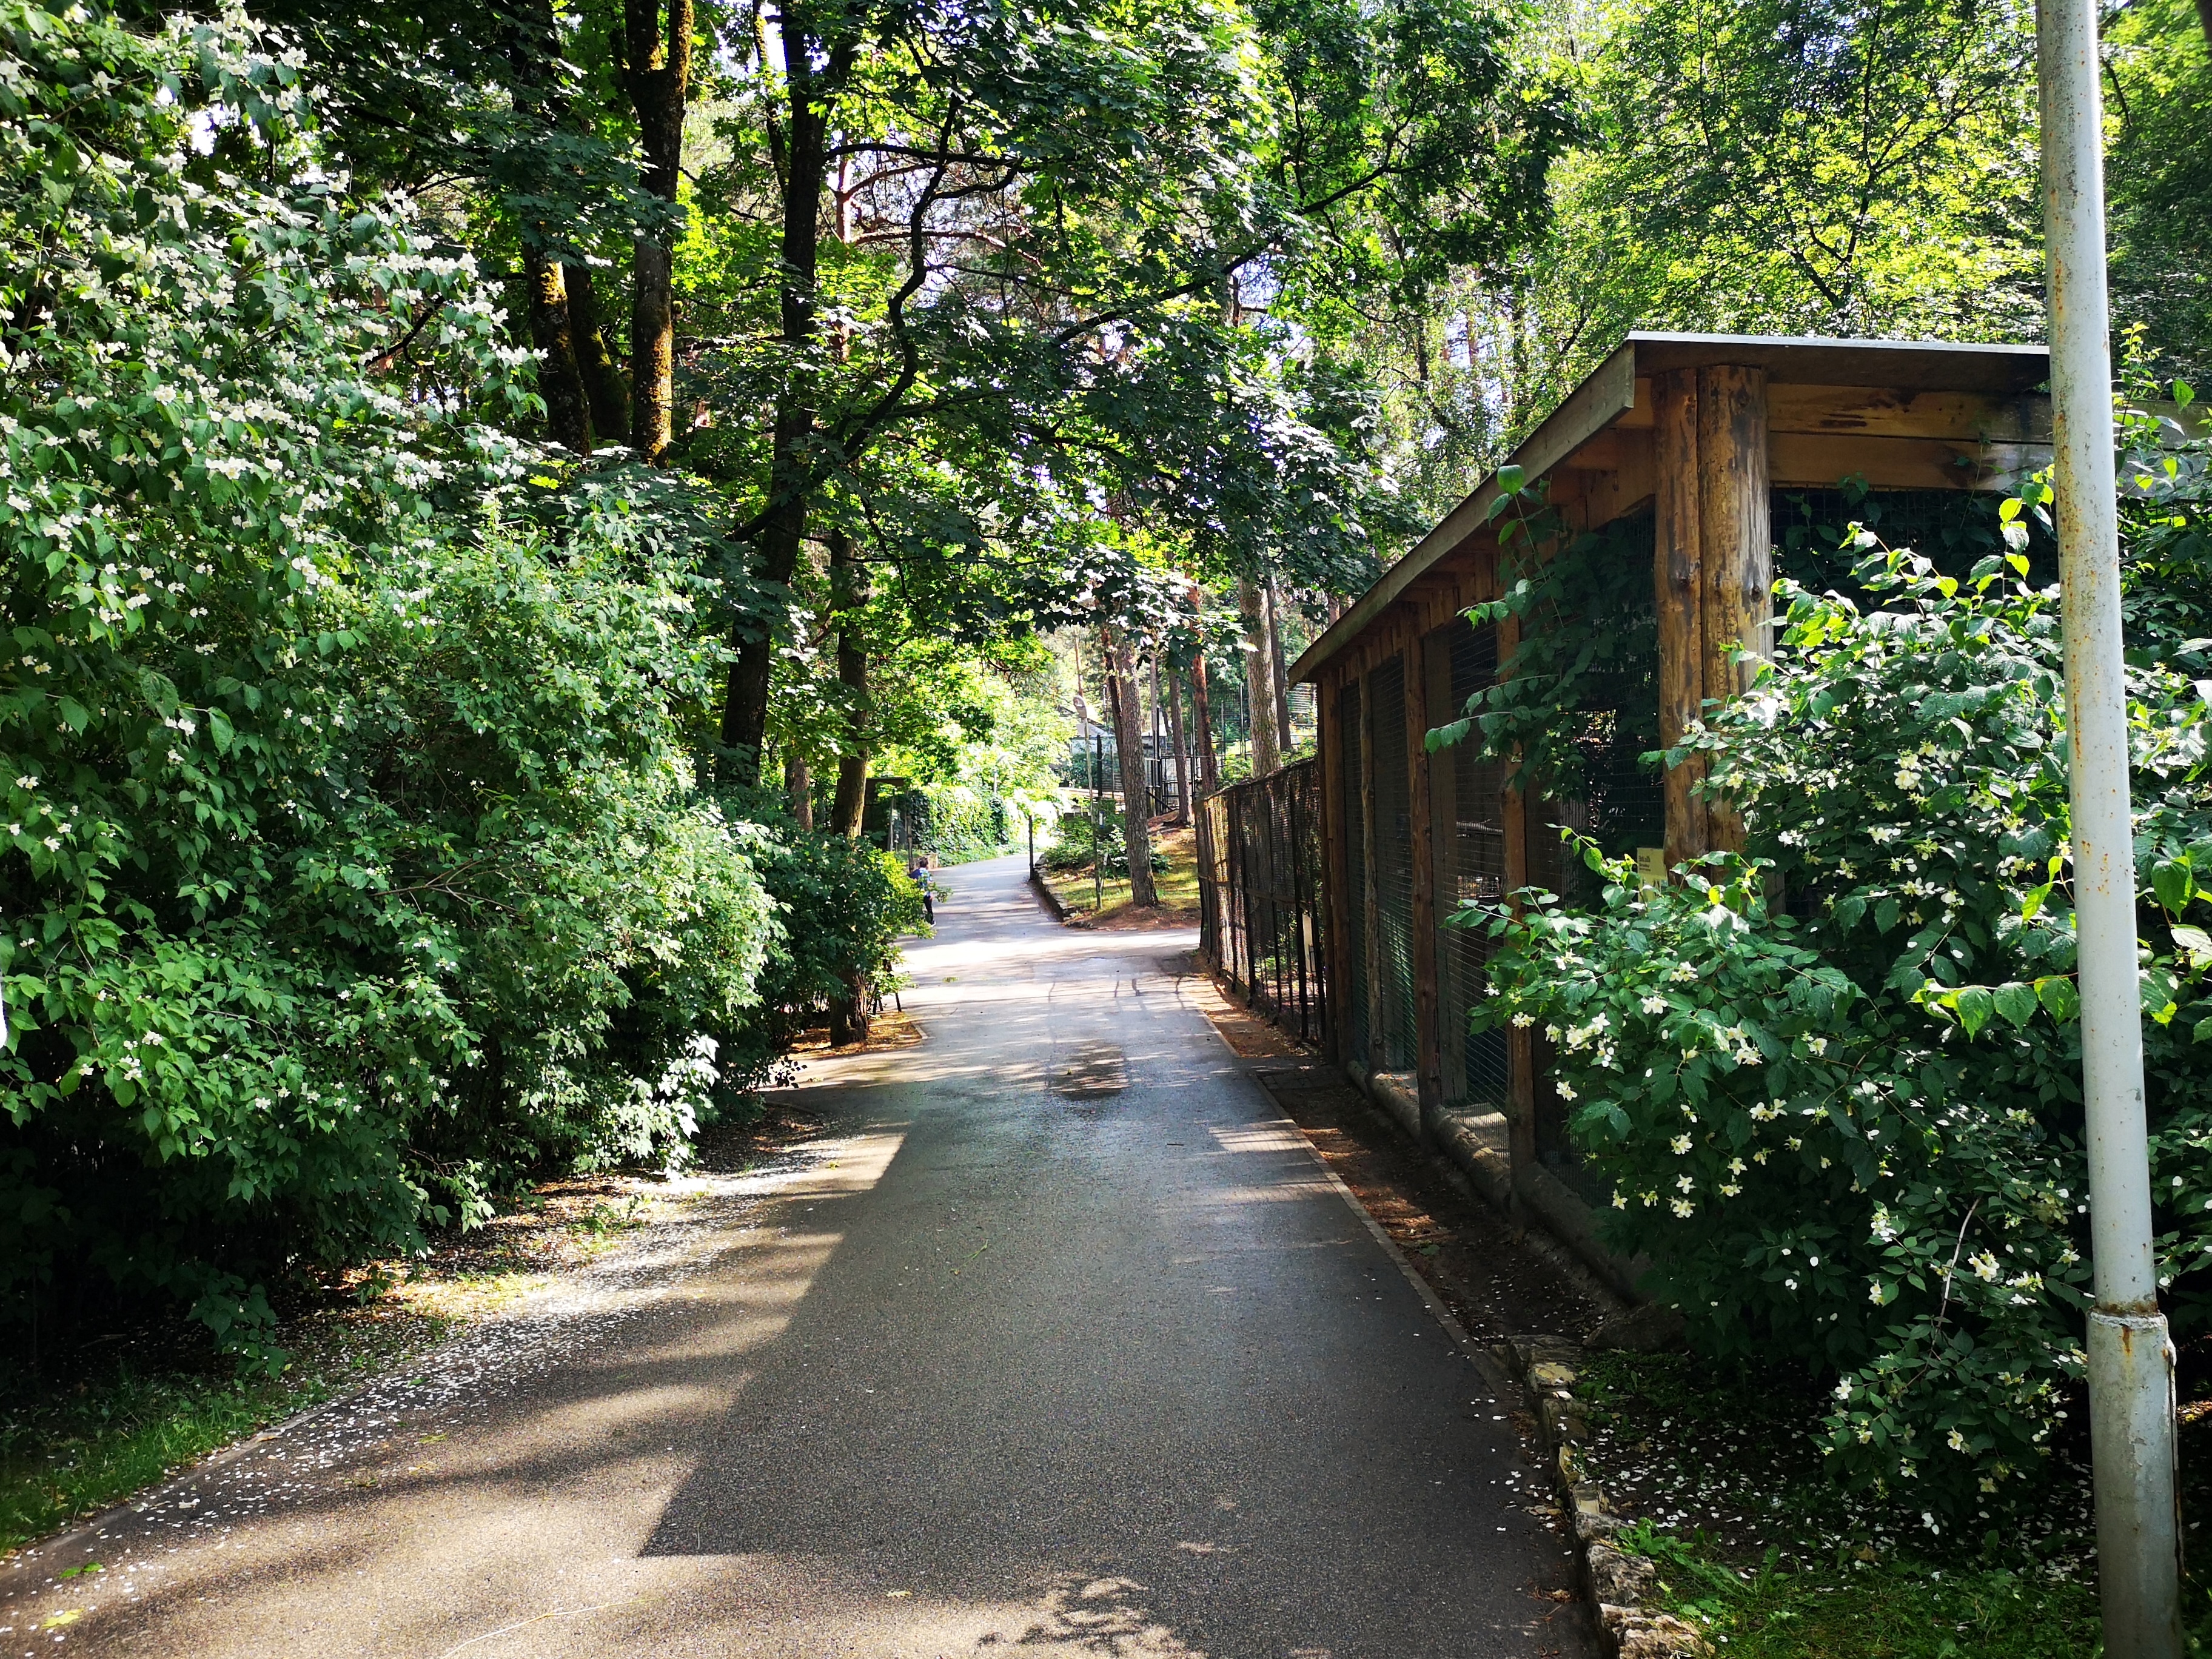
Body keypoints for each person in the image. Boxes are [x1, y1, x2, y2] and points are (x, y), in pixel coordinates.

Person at [907, 852, 936, 923]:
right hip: (926, 894)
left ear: (919, 864)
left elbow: (910, 880)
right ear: (927, 865)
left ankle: (916, 920)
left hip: (917, 893)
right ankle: (930, 921)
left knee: (917, 907)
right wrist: (931, 893)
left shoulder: (915, 872)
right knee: (929, 908)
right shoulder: (927, 873)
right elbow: (929, 884)